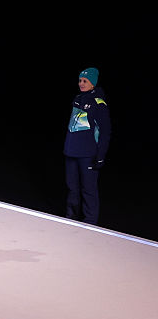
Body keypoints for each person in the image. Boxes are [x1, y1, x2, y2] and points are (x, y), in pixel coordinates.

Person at [64, 67, 112, 225]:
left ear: (93, 83)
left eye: (85, 81)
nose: (81, 83)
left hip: (88, 154)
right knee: (72, 188)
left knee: (88, 190)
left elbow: (105, 132)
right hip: (72, 152)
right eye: (80, 80)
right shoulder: (77, 98)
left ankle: (90, 223)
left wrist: (100, 156)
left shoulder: (99, 104)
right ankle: (71, 219)